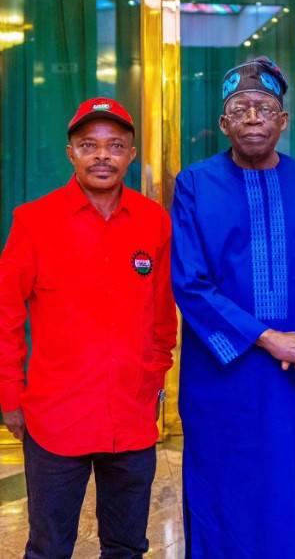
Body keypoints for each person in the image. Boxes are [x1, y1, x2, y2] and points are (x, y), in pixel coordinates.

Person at [171, 56, 295, 558]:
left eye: (263, 107)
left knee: (285, 503)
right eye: (239, 108)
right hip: (220, 378)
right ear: (224, 123)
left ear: (283, 120)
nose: (251, 118)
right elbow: (190, 284)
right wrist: (268, 338)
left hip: (291, 382)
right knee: (218, 501)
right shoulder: (195, 184)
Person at [0, 97, 177, 558]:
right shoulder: (34, 221)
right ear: (71, 153)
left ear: (131, 155)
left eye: (115, 145)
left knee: (126, 547)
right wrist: (10, 396)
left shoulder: (154, 221)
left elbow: (162, 318)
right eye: (89, 145)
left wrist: (152, 381)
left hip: (130, 419)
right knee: (49, 548)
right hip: (56, 418)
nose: (103, 155)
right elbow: (6, 315)